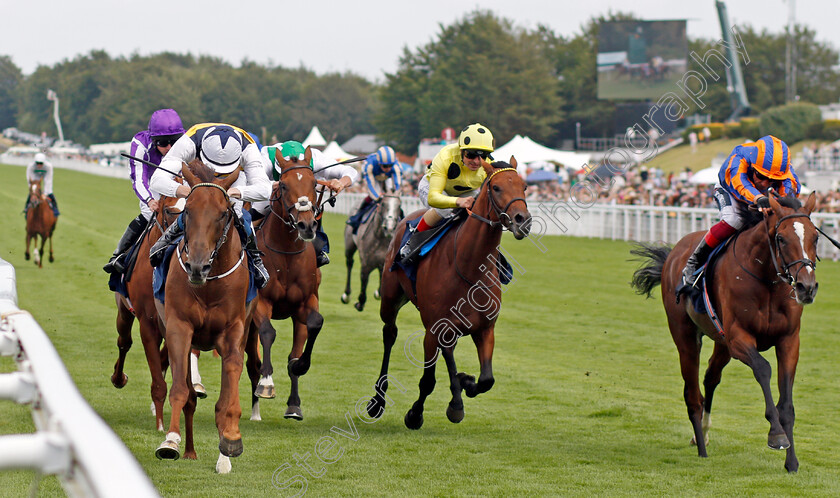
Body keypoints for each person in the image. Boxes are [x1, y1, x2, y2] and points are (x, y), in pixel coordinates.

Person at [148, 123, 272, 288]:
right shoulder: (189, 142)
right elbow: (156, 180)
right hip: (200, 173)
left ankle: (255, 258)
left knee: (236, 212)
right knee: (193, 208)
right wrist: (184, 191)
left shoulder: (248, 147)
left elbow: (265, 190)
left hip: (234, 178)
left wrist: (234, 192)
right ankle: (167, 238)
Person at [678, 135, 800, 294]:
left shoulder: (785, 170)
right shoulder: (739, 159)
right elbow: (739, 184)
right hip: (730, 190)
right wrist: (758, 198)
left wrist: (783, 204)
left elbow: (789, 191)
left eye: (772, 180)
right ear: (753, 165)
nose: (765, 183)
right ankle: (694, 263)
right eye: (761, 176)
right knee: (733, 220)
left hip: (762, 196)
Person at [396, 123, 494, 265]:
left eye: (483, 156)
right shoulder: (445, 156)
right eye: (471, 155)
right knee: (445, 209)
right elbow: (434, 197)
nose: (476, 162)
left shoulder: (489, 164)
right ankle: (412, 242)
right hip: (432, 187)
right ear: (461, 151)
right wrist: (457, 202)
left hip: (465, 191)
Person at [103, 109, 185, 274]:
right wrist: (149, 200)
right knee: (148, 215)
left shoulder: (187, 142)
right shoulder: (140, 144)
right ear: (153, 140)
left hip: (178, 187)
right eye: (162, 143)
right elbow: (138, 178)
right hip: (151, 189)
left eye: (173, 142)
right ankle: (118, 256)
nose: (169, 148)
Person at [253, 140, 358, 266]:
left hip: (302, 193)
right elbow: (251, 181)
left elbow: (350, 172)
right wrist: (271, 185)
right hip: (270, 191)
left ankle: (319, 250)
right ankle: (248, 248)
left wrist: (341, 182)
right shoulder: (265, 159)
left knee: (311, 210)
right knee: (257, 210)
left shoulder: (316, 158)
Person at [346, 145, 401, 234]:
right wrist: (377, 197)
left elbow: (397, 185)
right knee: (373, 197)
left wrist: (395, 195)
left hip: (387, 178)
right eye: (385, 166)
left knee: (392, 200)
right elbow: (370, 185)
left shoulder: (396, 167)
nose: (388, 169)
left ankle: (401, 219)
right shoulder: (369, 164)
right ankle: (356, 217)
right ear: (379, 163)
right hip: (373, 177)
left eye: (390, 166)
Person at [24, 152, 59, 217]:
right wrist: (32, 189)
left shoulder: (49, 166)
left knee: (50, 192)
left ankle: (55, 209)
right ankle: (26, 209)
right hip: (35, 176)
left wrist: (45, 193)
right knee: (33, 193)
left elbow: (48, 181)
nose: (39, 165)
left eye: (41, 163)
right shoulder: (31, 166)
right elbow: (29, 179)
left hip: (45, 175)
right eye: (37, 163)